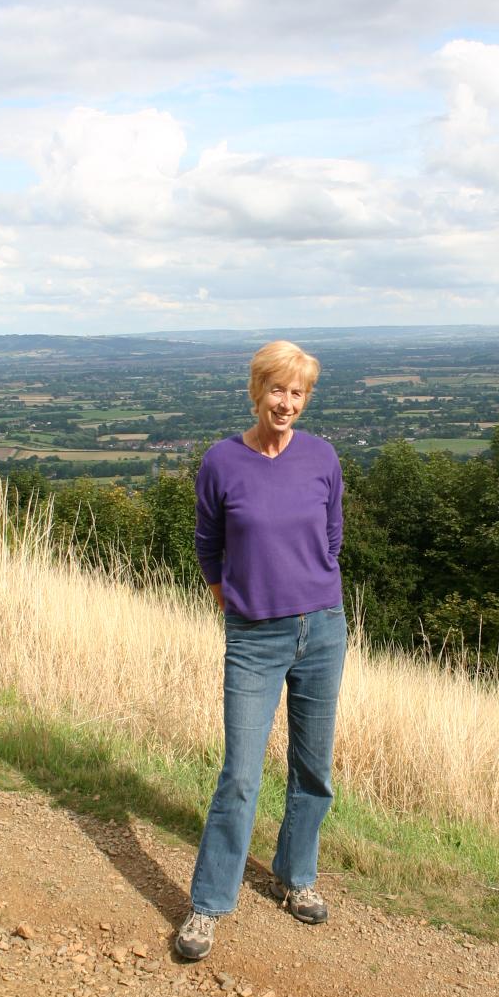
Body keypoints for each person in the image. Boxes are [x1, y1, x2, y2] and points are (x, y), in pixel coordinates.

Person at [176, 340, 348, 962]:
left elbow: (332, 537)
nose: (287, 402)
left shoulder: (323, 458)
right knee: (241, 776)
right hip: (255, 638)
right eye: (277, 389)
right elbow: (207, 545)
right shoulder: (222, 461)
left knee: (314, 769)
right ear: (257, 392)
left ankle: (296, 877)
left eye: (297, 392)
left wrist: (312, 591)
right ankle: (209, 904)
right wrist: (234, 599)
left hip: (324, 630)